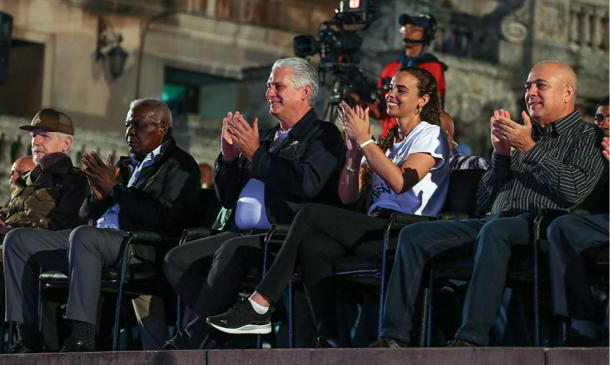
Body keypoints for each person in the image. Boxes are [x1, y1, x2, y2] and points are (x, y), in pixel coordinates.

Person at [369, 61, 606, 348]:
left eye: (540, 85)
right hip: (496, 221)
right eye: (528, 86)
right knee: (413, 235)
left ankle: (471, 338)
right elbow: (484, 201)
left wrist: (529, 148)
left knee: (497, 231)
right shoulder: (520, 133)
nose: (530, 92)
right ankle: (393, 336)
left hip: (545, 226)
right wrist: (502, 155)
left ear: (567, 93)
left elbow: (574, 191)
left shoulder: (590, 137)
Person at [207, 67, 449, 348]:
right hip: (376, 227)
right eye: (391, 87)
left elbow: (400, 182)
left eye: (401, 90)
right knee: (313, 246)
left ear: (423, 100)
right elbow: (347, 196)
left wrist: (365, 141)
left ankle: (259, 304)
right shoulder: (387, 141)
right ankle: (329, 337)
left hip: (408, 231)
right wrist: (353, 154)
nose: (390, 94)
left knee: (310, 214)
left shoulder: (431, 134)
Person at [160, 57, 346, 350]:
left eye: (278, 86)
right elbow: (227, 198)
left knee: (230, 249)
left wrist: (256, 154)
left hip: (281, 238)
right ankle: (228, 330)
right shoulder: (268, 137)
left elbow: (307, 185)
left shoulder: (323, 135)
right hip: (240, 234)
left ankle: (189, 340)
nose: (269, 93)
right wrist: (230, 159)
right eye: (269, 85)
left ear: (305, 92)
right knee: (177, 259)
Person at [1, 99, 200, 353]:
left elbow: (168, 218)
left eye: (138, 125)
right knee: (17, 240)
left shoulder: (179, 165)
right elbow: (84, 216)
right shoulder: (126, 165)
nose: (129, 132)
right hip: (93, 240)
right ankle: (26, 336)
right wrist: (97, 197)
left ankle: (82, 336)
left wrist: (116, 191)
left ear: (161, 128)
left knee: (85, 237)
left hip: (138, 245)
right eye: (128, 125)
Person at [0, 110, 88, 354]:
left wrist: (11, 230)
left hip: (52, 250)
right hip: (10, 249)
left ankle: (14, 335)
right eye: (34, 136)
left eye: (44, 136)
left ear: (66, 143)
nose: (35, 142)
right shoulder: (25, 180)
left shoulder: (76, 181)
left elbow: (66, 225)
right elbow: (5, 219)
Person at [546, 98, 609, 346]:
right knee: (563, 226)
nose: (603, 123)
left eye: (609, 117)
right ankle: (580, 322)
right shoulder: (591, 148)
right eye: (599, 117)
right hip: (601, 223)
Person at [367, 13, 447, 139]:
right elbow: (379, 112)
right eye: (404, 29)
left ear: (426, 34)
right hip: (387, 139)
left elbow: (432, 108)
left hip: (415, 138)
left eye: (412, 29)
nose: (406, 33)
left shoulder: (432, 66)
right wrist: (358, 104)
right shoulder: (390, 67)